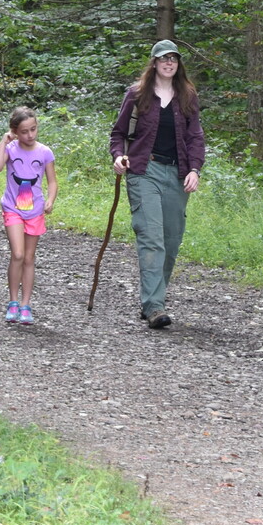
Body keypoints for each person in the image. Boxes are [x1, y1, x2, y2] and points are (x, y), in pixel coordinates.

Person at [109, 39, 205, 329]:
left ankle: (153, 297)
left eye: (173, 59)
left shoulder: (187, 95)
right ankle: (154, 306)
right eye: (163, 58)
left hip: (177, 174)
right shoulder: (137, 94)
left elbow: (195, 137)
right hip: (144, 170)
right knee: (151, 237)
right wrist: (118, 156)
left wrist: (195, 170)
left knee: (171, 239)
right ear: (154, 63)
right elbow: (119, 133)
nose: (169, 63)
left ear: (178, 64)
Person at [0, 105, 57, 325]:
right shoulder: (11, 149)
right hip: (12, 208)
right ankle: (12, 301)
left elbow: (52, 181)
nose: (29, 135)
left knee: (29, 258)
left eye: (33, 129)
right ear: (15, 131)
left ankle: (26, 304)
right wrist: (4, 141)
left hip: (35, 211)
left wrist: (50, 199)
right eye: (24, 131)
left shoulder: (45, 152)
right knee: (17, 254)